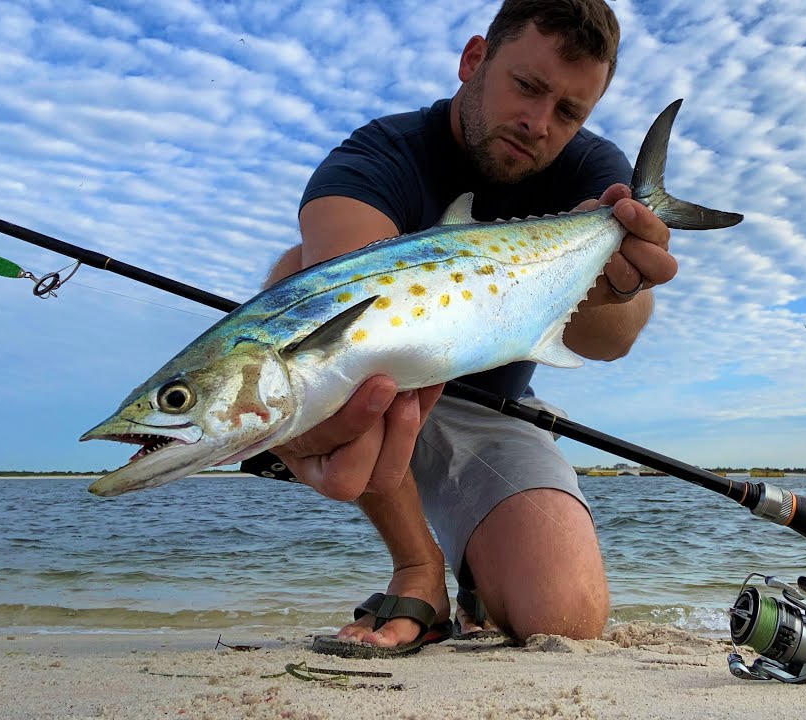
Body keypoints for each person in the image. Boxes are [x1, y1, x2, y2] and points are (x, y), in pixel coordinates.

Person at [261, 0, 679, 657]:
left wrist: (612, 282)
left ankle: (482, 580)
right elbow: (336, 314)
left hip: (496, 404)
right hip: (376, 392)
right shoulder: (379, 155)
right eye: (528, 86)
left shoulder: (594, 174)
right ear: (474, 59)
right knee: (305, 297)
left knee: (564, 615)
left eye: (568, 112)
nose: (539, 124)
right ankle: (418, 569)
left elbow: (613, 340)